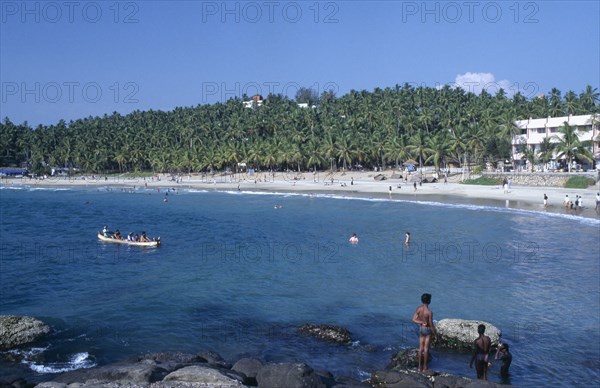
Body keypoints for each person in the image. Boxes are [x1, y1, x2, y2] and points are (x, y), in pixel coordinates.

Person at [412, 293, 438, 372]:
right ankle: (425, 367)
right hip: (427, 330)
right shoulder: (429, 312)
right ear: (429, 301)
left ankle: (419, 367)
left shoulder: (418, 309)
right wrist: (436, 334)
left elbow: (413, 319)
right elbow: (431, 324)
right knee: (426, 349)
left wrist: (421, 321)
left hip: (421, 329)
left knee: (420, 349)